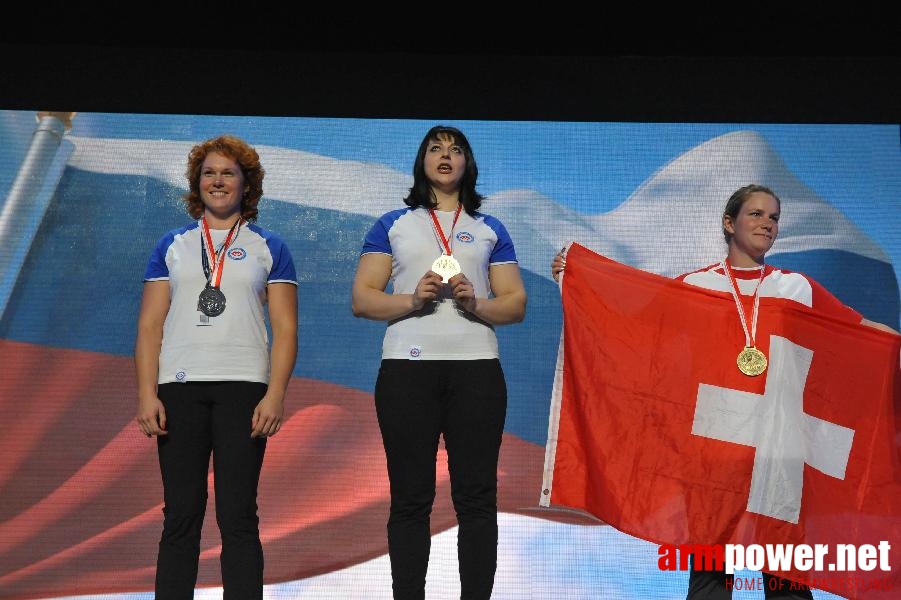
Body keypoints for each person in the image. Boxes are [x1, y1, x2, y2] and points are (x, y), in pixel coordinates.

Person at [551, 183, 898, 599]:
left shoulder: (797, 288)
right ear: (729, 223)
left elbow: (860, 334)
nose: (767, 223)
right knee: (711, 585)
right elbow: (631, 326)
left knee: (788, 585)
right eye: (756, 214)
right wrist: (578, 281)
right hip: (714, 457)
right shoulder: (695, 286)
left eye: (773, 217)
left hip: (780, 461)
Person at [351, 125, 527, 600]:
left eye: (456, 150)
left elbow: (515, 304)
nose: (446, 156)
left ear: (468, 164)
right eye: (435, 149)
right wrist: (411, 300)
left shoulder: (490, 229)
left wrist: (478, 305)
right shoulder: (393, 223)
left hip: (476, 371)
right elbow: (363, 300)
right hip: (408, 372)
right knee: (410, 499)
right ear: (421, 162)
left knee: (476, 499)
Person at [134, 134, 298, 599]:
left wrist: (275, 394)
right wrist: (147, 394)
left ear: (247, 184)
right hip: (179, 389)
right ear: (196, 183)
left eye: (229, 172)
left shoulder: (270, 245)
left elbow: (286, 329)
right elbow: (149, 327)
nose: (218, 181)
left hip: (245, 390)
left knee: (238, 515)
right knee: (181, 515)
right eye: (209, 173)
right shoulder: (173, 244)